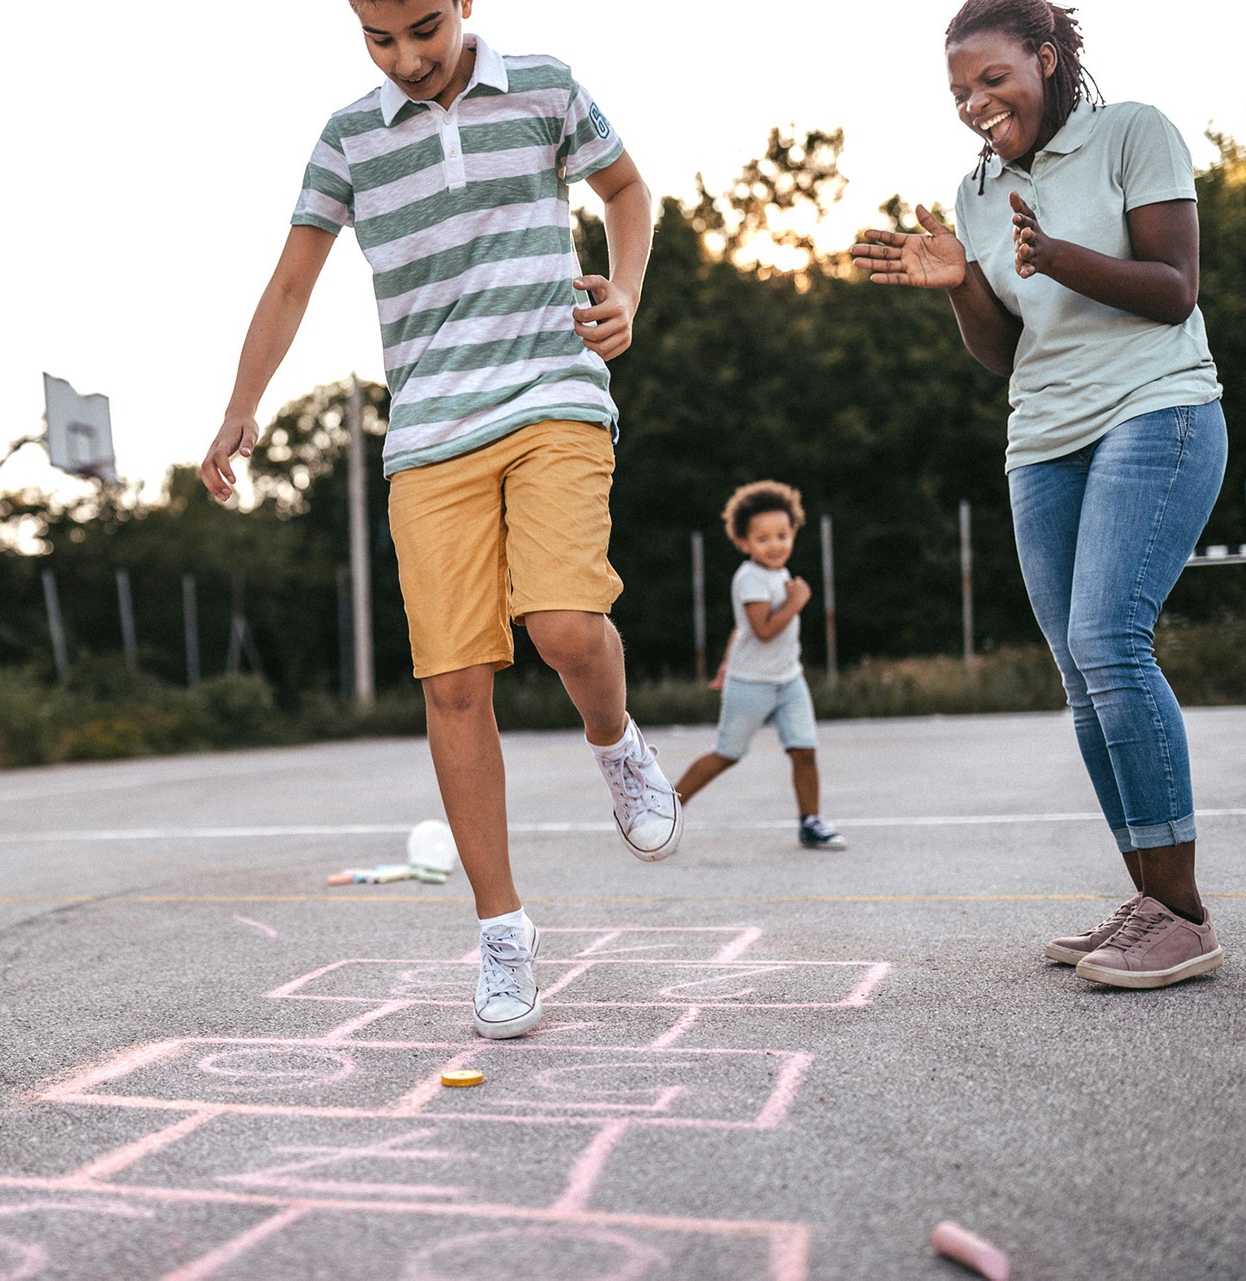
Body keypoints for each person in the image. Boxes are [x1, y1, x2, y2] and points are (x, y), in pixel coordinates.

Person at [198, 0, 681, 1039]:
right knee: (455, 681)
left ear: (465, 3)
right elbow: (292, 281)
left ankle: (616, 741)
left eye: (424, 27)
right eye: (379, 38)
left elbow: (628, 190)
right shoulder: (348, 140)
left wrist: (628, 293)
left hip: (553, 394)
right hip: (429, 433)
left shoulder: (545, 85)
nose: (407, 57)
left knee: (560, 622)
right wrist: (241, 408)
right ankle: (503, 935)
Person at [852, 0, 1226, 988]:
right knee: (1079, 673)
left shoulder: (1131, 133)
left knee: (1112, 642)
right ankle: (1149, 899)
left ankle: (1183, 913)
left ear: (1048, 60)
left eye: (991, 79)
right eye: (959, 91)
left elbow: (1175, 286)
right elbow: (1003, 352)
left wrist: (1054, 254)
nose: (975, 103)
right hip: (1042, 440)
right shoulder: (977, 193)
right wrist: (960, 286)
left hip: (1157, 410)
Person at [674, 482, 845, 850]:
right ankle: (666, 809)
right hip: (751, 683)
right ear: (744, 542)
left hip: (788, 679)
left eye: (782, 535)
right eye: (763, 538)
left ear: (793, 533)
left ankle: (811, 822)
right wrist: (797, 602)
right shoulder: (749, 576)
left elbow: (742, 628)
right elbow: (763, 629)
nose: (775, 544)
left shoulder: (779, 574)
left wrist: (722, 663)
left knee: (805, 750)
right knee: (727, 754)